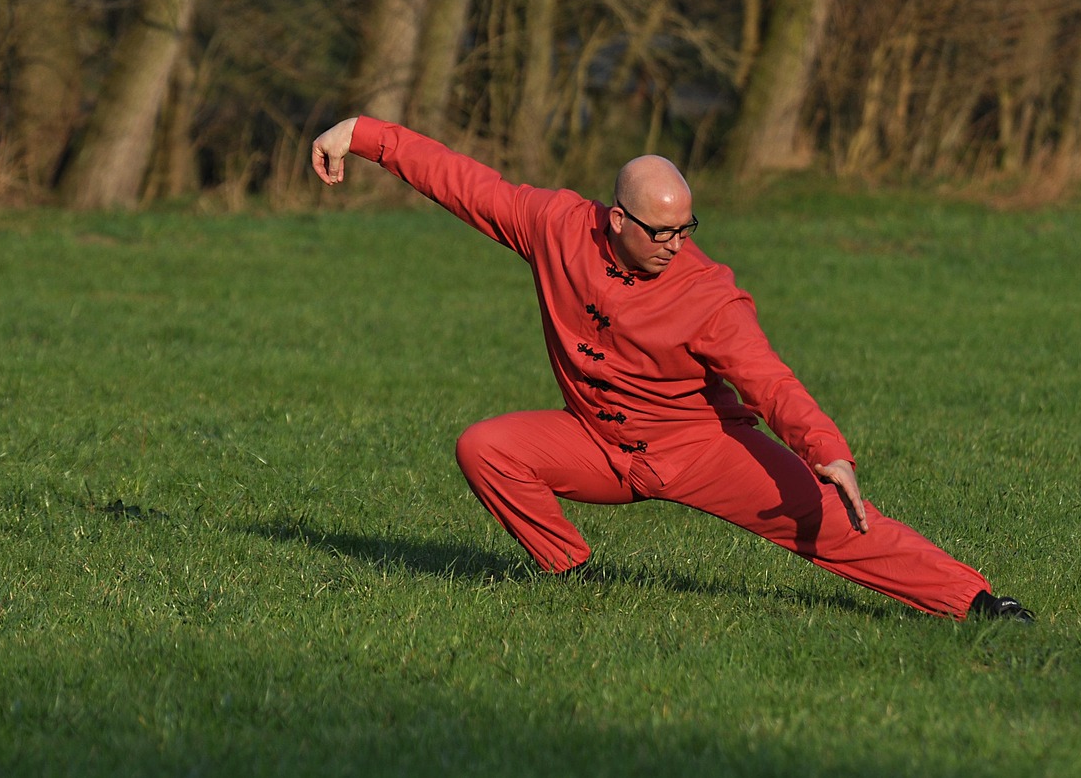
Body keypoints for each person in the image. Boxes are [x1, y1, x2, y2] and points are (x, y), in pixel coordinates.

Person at [311, 116, 1033, 621]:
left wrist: (826, 448)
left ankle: (976, 603)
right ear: (616, 219)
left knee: (833, 522)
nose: (676, 244)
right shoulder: (556, 226)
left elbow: (769, 379)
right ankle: (570, 576)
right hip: (598, 445)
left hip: (700, 448)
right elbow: (465, 183)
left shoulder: (709, 293)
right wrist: (365, 136)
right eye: (661, 231)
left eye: (687, 228)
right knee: (485, 448)